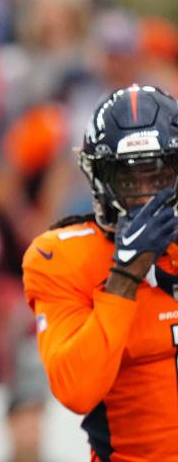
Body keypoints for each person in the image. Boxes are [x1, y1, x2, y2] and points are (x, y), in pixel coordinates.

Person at [22, 84, 178, 461]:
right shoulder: (62, 255)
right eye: (128, 179)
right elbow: (76, 390)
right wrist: (125, 274)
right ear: (99, 178)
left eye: (157, 177)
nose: (145, 196)